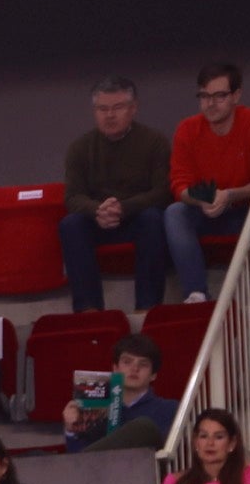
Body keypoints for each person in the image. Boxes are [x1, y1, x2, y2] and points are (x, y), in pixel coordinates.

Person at [60, 77, 173, 313]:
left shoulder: (155, 142)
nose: (109, 115)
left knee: (154, 218)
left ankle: (147, 308)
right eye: (102, 109)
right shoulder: (79, 148)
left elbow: (162, 192)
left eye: (117, 107)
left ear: (133, 109)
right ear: (94, 112)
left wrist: (123, 207)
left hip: (137, 216)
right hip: (98, 220)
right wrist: (97, 210)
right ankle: (88, 310)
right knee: (71, 225)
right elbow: (72, 197)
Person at [165, 65, 250, 304]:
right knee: (175, 213)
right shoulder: (187, 129)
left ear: (236, 96)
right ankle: (196, 295)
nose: (210, 103)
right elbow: (179, 185)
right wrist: (204, 198)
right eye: (204, 96)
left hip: (248, 210)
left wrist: (229, 195)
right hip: (206, 210)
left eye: (219, 96)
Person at [62, 335, 179, 453]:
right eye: (127, 362)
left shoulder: (170, 409)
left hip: (144, 468)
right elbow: (77, 463)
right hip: (98, 469)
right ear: (115, 368)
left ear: (153, 375)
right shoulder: (97, 410)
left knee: (143, 426)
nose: (135, 368)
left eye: (143, 364)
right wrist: (71, 430)